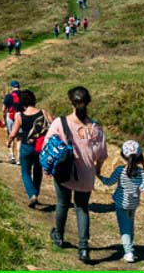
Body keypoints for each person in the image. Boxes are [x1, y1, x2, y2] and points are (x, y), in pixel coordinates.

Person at [44, 86, 108, 264]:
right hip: (86, 174)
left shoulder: (59, 122)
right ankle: (84, 248)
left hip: (64, 171)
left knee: (62, 204)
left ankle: (58, 236)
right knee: (82, 208)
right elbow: (101, 155)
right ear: (88, 103)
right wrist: (97, 170)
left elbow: (47, 147)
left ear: (71, 102)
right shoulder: (96, 128)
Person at [97, 140, 144, 263]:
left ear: (123, 155)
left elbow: (109, 182)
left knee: (124, 227)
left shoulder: (120, 170)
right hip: (134, 204)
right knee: (130, 224)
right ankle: (130, 246)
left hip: (120, 204)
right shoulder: (142, 173)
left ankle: (128, 252)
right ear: (140, 156)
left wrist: (98, 176)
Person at [8, 89, 53, 207]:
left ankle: (32, 195)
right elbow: (54, 126)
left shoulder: (20, 117)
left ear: (22, 102)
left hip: (26, 146)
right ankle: (36, 195)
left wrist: (9, 142)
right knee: (38, 172)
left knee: (25, 172)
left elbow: (13, 134)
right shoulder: (44, 112)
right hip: (41, 147)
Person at [2, 80, 22, 164]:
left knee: (11, 135)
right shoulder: (23, 95)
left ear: (12, 87)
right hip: (20, 116)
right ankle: (19, 158)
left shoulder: (8, 96)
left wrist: (4, 119)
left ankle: (12, 156)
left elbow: (3, 109)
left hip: (10, 115)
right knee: (19, 138)